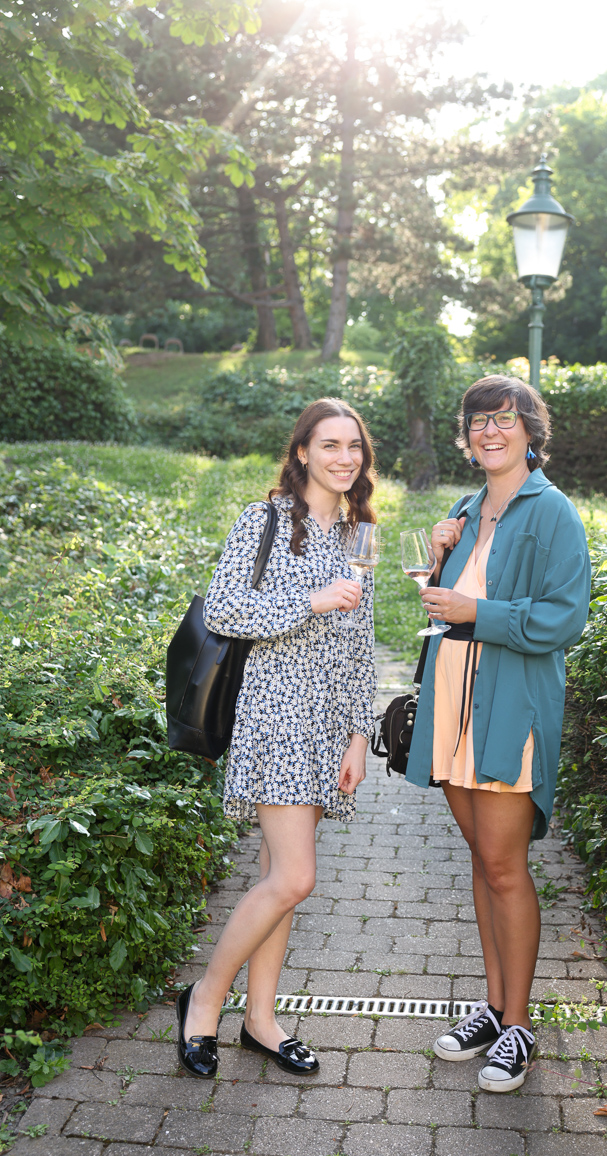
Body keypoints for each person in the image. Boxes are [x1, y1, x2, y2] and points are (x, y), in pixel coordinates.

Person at [175, 398, 378, 1080]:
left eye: (354, 446)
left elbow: (361, 644)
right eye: (330, 445)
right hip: (276, 714)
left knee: (278, 879)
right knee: (295, 877)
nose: (344, 458)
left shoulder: (359, 535)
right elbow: (226, 608)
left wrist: (359, 734)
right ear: (302, 453)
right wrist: (312, 601)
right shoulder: (264, 520)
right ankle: (205, 999)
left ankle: (261, 1020)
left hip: (327, 725)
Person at [405, 374, 590, 1093]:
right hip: (453, 700)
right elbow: (443, 604)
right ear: (466, 436)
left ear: (531, 432)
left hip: (511, 705)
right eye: (479, 421)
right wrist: (441, 554)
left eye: (505, 419)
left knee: (507, 867)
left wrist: (475, 612)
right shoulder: (466, 507)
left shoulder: (554, 512)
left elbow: (564, 619)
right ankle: (492, 1007)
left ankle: (519, 1026)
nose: (491, 431)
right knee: (483, 861)